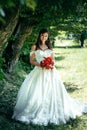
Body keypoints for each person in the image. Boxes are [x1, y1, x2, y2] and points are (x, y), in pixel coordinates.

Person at [12, 29, 87, 126]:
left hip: (51, 72)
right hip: (39, 71)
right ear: (39, 36)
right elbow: (31, 61)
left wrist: (50, 64)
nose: (44, 37)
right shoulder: (35, 47)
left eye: (46, 36)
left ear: (48, 37)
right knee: (37, 91)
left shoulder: (50, 48)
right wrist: (40, 64)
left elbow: (53, 60)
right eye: (42, 35)